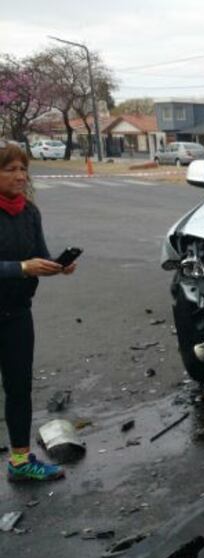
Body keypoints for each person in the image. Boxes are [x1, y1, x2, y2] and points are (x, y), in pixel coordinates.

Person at [0, 140, 77, 481]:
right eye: (10, 169)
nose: (20, 176)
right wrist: (23, 268)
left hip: (17, 314)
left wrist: (58, 266)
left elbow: (39, 256)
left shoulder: (30, 212)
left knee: (19, 388)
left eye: (23, 168)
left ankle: (20, 462)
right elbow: (24, 265)